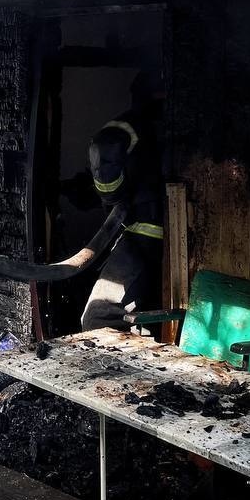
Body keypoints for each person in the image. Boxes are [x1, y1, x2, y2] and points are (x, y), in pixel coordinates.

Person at [62, 72, 165, 330]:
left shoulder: (121, 131)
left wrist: (104, 193)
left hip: (142, 237)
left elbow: (109, 186)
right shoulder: (175, 128)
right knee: (150, 319)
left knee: (99, 319)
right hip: (179, 242)